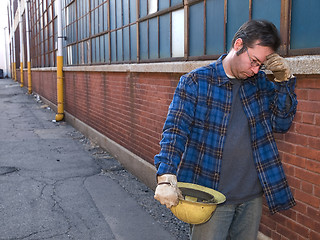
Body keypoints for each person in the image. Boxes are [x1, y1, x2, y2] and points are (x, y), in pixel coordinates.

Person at [153, 20, 297, 240]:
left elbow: (281, 124)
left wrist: (284, 82)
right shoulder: (196, 82)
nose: (256, 70)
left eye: (261, 65)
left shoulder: (260, 85)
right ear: (238, 44)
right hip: (210, 196)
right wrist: (165, 175)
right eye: (254, 61)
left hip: (251, 197)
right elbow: (175, 131)